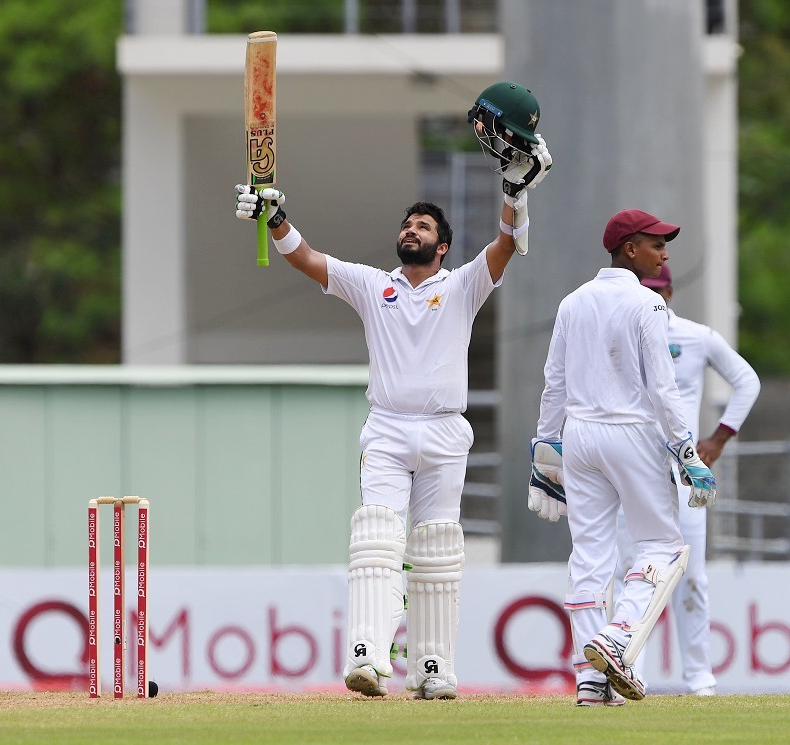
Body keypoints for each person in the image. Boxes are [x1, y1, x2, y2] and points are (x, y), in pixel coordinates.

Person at [234, 82, 552, 700]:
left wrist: (514, 195)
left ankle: (433, 668)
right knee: (376, 534)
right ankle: (366, 654)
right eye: (407, 223)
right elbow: (308, 259)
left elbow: (507, 245)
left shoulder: (462, 287)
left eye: (424, 225)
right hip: (386, 428)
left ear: (443, 245)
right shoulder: (371, 286)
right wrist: (273, 216)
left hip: (443, 432)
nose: (412, 229)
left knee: (436, 546)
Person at [528, 209, 717, 706]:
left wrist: (546, 454)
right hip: (630, 433)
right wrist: (687, 452)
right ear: (629, 249)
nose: (666, 252)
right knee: (665, 547)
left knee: (590, 555)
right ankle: (618, 639)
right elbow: (663, 387)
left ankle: (589, 679)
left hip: (581, 437)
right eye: (656, 243)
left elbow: (554, 383)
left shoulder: (572, 302)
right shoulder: (649, 305)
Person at [613, 264, 760, 696]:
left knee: (691, 576)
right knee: (628, 573)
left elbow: (747, 381)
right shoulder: (618, 335)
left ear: (670, 292)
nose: (652, 299)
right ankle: (627, 669)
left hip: (683, 475)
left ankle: (699, 680)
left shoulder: (697, 337)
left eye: (657, 291)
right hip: (632, 472)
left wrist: (717, 439)